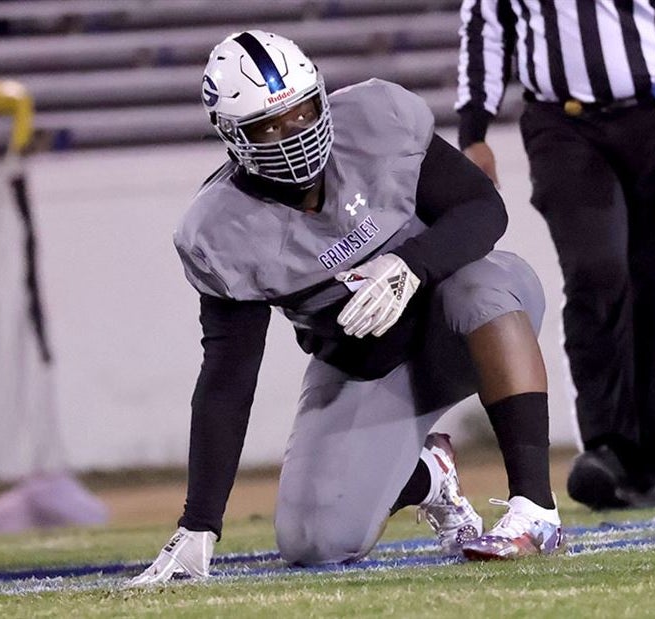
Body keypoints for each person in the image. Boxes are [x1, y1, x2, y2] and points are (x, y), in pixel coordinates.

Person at [128, 30, 563, 585]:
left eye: (303, 111)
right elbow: (227, 380)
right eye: (269, 125)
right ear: (232, 137)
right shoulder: (220, 231)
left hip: (467, 323)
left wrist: (410, 264)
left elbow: (483, 209)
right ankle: (428, 475)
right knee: (314, 541)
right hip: (365, 369)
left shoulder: (377, 120)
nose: (295, 135)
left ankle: (536, 508)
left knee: (482, 285)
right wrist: (200, 524)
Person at [456, 0, 655, 510]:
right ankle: (607, 450)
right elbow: (486, 23)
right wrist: (474, 132)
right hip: (562, 126)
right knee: (595, 272)